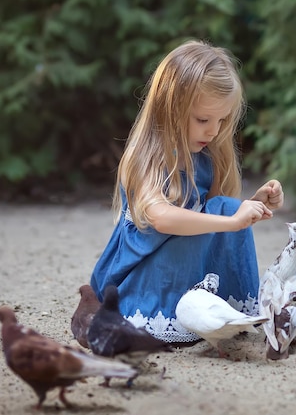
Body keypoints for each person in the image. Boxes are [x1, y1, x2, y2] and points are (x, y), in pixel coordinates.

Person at [88, 39, 284, 343]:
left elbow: (212, 212)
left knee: (227, 206)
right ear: (170, 109)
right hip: (147, 269)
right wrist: (232, 221)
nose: (213, 131)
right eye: (203, 119)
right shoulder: (147, 157)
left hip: (189, 264)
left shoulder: (206, 154)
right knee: (220, 217)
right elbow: (162, 219)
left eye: (221, 120)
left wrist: (250, 208)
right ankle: (164, 313)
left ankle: (220, 308)